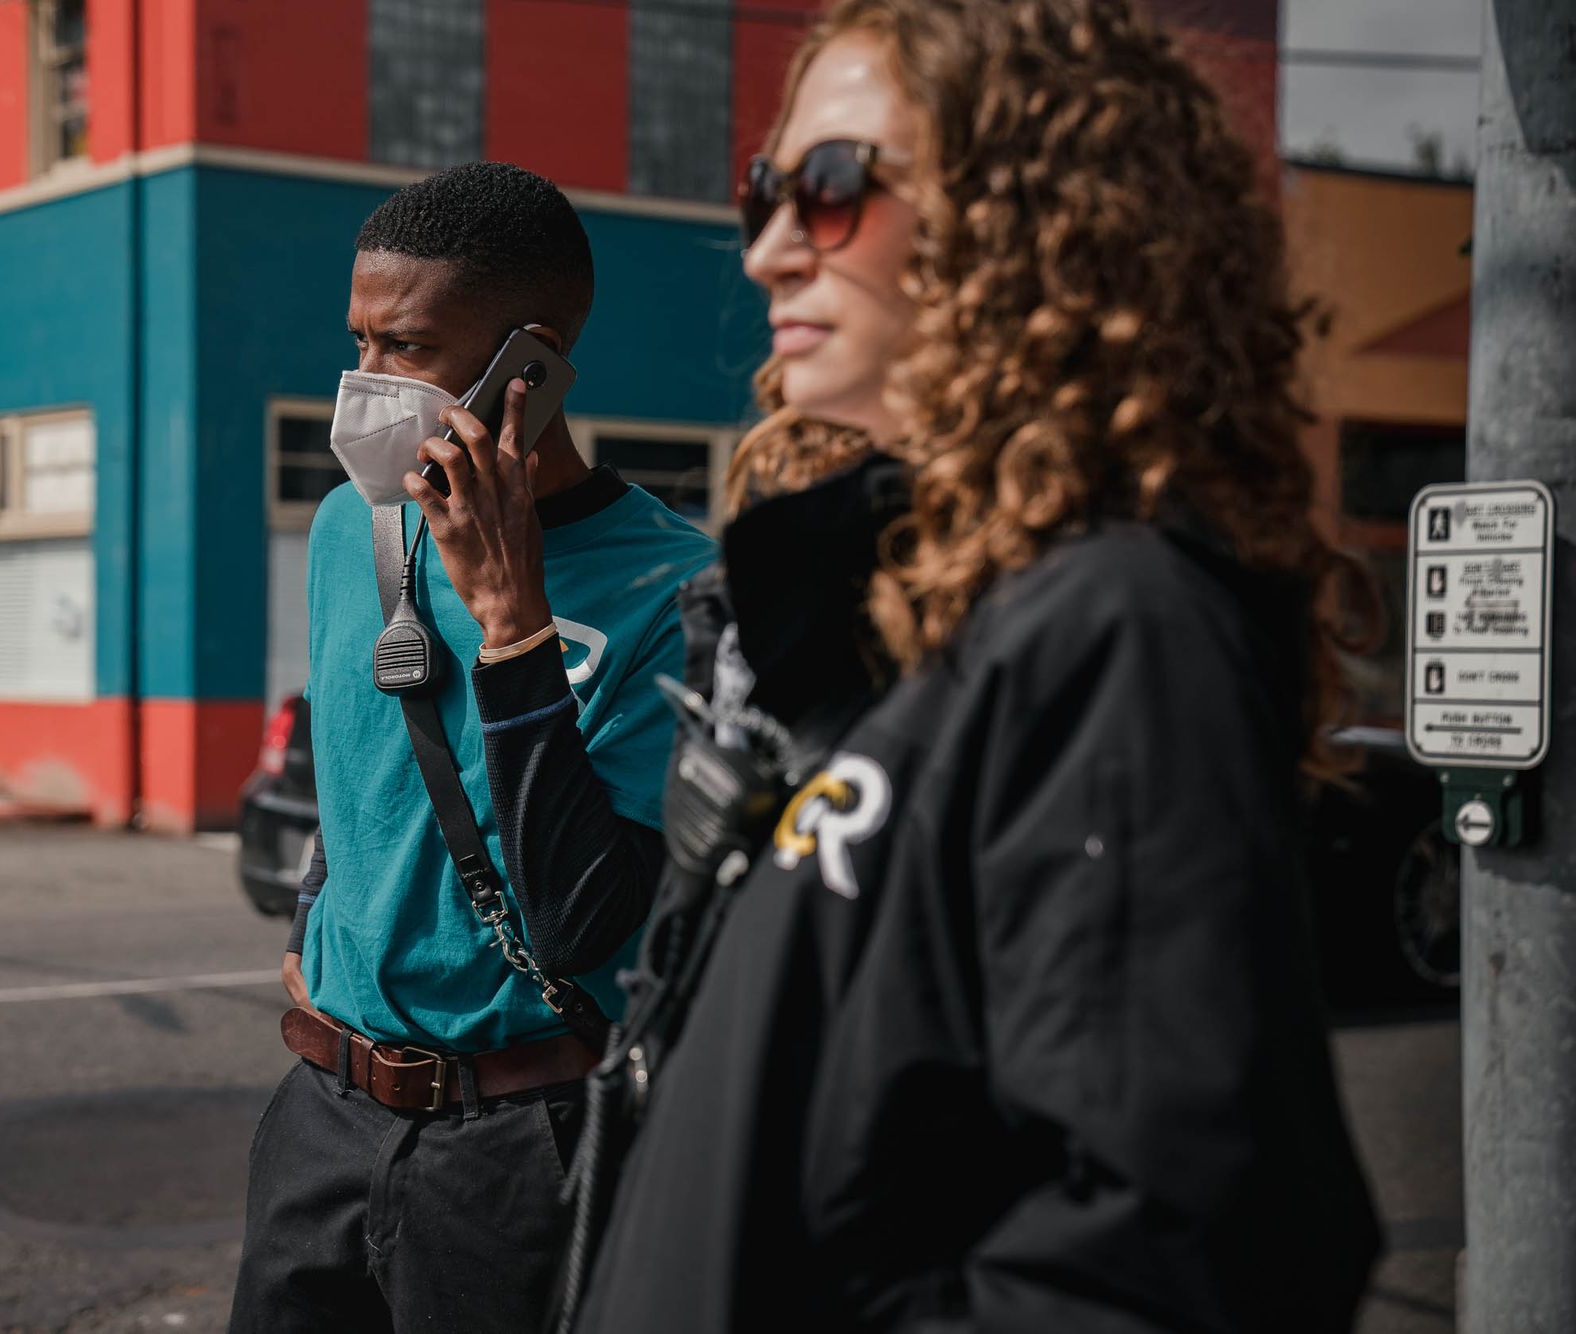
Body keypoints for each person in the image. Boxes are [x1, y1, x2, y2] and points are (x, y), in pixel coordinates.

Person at [564, 2, 1383, 1330]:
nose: (771, 249)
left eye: (832, 190)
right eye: (766, 191)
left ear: (1033, 221)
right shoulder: (908, 622)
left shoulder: (1115, 629)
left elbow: (1184, 1250)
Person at [227, 162, 718, 1333]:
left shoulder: (677, 590)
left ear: (528, 367)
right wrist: (311, 911)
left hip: (517, 1149)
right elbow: (355, 761)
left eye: (407, 348)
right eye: (359, 341)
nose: (366, 385)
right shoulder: (354, 527)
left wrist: (513, 622)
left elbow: (591, 918)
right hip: (321, 1123)